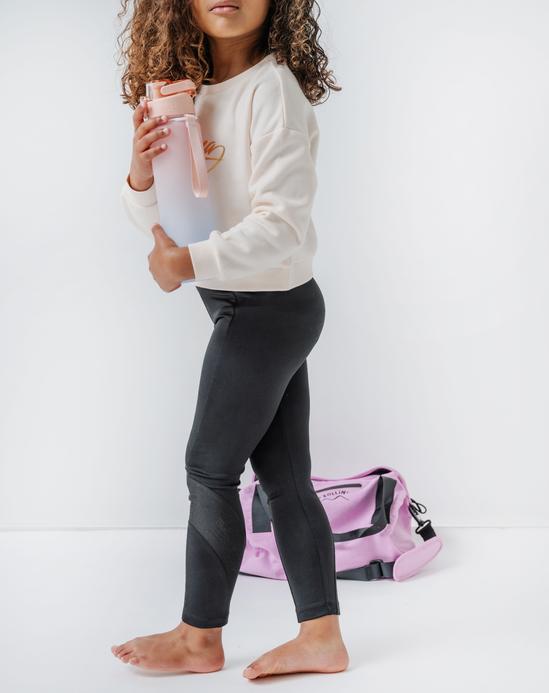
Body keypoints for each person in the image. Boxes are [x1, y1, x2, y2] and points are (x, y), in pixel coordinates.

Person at [111, 0, 349, 679]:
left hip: (265, 309)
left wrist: (185, 264)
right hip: (254, 305)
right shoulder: (190, 94)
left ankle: (199, 637)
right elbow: (174, 216)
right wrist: (141, 172)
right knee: (284, 478)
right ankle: (321, 636)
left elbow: (280, 225)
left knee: (209, 468)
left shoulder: (272, 91)